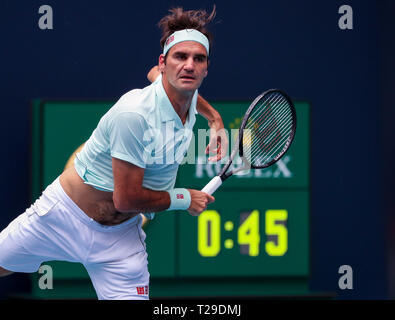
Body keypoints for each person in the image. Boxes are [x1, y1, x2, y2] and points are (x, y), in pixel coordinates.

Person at [0, 6, 227, 300]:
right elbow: (126, 198)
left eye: (198, 59)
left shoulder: (184, 91)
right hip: (60, 218)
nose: (189, 66)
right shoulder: (134, 114)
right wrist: (185, 198)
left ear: (206, 68)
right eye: (180, 57)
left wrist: (215, 118)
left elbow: (181, 87)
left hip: (120, 240)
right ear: (163, 64)